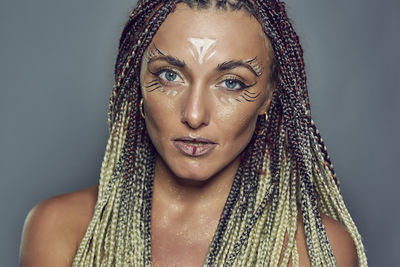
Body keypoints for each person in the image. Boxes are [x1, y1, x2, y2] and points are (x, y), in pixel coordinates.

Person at [19, 0, 368, 266]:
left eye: (232, 83)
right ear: (136, 83)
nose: (194, 114)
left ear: (268, 97)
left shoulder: (319, 251)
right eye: (170, 75)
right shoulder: (60, 229)